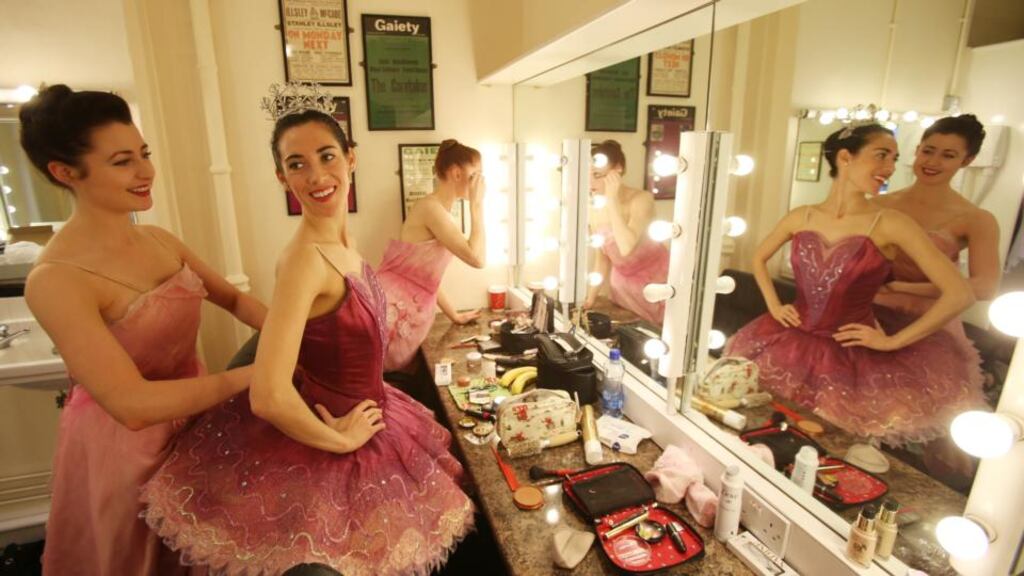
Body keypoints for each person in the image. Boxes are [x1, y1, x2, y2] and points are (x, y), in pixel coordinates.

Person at [141, 89, 474, 575]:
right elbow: (268, 395)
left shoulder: (344, 241)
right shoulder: (302, 260)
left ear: (350, 158)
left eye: (327, 156)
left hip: (374, 411)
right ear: (281, 177)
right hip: (331, 436)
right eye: (297, 165)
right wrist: (339, 441)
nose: (316, 176)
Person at [20, 85, 266, 575]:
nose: (146, 171)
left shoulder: (159, 239)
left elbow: (235, 300)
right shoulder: (55, 279)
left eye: (144, 154)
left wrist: (306, 332)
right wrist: (258, 374)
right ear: (65, 173)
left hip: (197, 425)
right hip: (125, 452)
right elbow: (131, 405)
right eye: (122, 161)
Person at [724, 124, 983, 446]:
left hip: (851, 356)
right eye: (881, 156)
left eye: (894, 158)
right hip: (786, 342)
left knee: (828, 446)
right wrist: (775, 305)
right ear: (846, 157)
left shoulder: (891, 222)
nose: (889, 168)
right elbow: (758, 258)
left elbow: (960, 293)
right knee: (761, 429)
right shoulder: (801, 216)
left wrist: (894, 341)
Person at [871, 114, 996, 371]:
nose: (933, 162)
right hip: (871, 315)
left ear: (967, 160)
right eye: (928, 151)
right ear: (917, 150)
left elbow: (984, 287)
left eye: (948, 155)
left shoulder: (975, 219)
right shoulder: (878, 205)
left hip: (929, 324)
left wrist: (902, 287)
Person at [378, 139, 486, 372]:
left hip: (407, 308)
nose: (480, 180)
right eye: (476, 173)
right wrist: (477, 206)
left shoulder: (443, 214)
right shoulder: (431, 209)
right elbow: (477, 259)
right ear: (457, 173)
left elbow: (426, 279)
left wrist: (454, 315)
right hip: (393, 309)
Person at [583, 140, 669, 324]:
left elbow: (625, 247)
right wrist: (589, 299)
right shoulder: (592, 208)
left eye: (597, 175)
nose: (590, 183)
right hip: (624, 289)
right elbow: (603, 259)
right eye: (587, 175)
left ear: (618, 169)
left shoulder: (641, 200)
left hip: (658, 282)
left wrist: (612, 200)